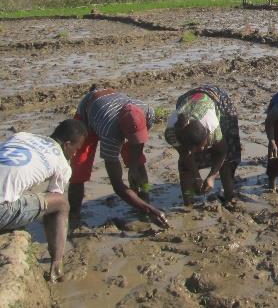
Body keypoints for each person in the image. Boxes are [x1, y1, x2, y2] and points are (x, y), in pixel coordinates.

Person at [68, 86, 168, 228]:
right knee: (79, 168)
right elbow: (117, 186)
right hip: (88, 115)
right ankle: (74, 216)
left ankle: (145, 198)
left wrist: (133, 166)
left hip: (111, 104)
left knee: (139, 164)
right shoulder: (111, 131)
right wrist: (149, 210)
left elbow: (138, 143)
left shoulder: (147, 112)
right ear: (122, 132)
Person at [0, 120, 87, 281]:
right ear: (67, 145)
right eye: (76, 149)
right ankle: (56, 263)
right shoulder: (62, 165)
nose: (75, 154)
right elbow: (53, 208)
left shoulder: (21, 136)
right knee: (61, 204)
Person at [164, 85, 241, 205]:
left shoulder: (212, 127)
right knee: (185, 167)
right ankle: (188, 205)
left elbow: (222, 152)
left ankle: (229, 195)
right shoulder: (171, 134)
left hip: (217, 99)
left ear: (207, 135)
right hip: (188, 101)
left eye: (204, 146)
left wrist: (211, 177)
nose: (203, 149)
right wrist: (197, 177)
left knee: (227, 160)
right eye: (199, 148)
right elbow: (185, 155)